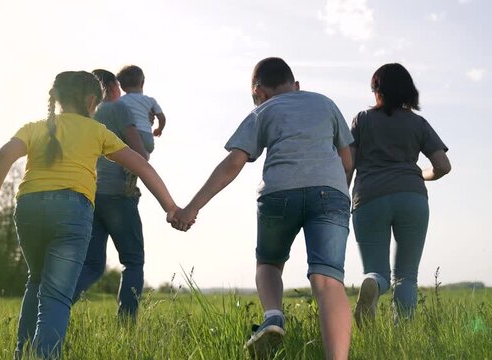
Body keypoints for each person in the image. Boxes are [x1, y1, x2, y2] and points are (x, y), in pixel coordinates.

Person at [0, 71, 178, 359]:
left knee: (36, 280)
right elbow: (141, 166)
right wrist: (170, 207)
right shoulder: (96, 131)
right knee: (57, 294)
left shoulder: (35, 127)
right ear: (90, 101)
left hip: (29, 207)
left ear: (57, 98)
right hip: (72, 210)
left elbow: (4, 155)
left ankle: (23, 354)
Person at [171, 57, 354, 359]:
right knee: (327, 278)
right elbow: (347, 161)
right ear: (296, 86)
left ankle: (273, 316)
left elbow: (233, 163)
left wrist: (192, 207)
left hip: (279, 194)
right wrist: (336, 194)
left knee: (268, 265)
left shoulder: (263, 110)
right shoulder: (326, 103)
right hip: (330, 193)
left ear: (260, 93)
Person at [351, 63, 451, 325]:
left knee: (377, 270)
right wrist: (420, 174)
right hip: (412, 198)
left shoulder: (361, 119)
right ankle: (402, 336)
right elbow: (443, 166)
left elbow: (347, 166)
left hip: (369, 198)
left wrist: (341, 198)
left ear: (377, 91)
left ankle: (372, 282)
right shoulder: (418, 123)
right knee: (406, 275)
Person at [73, 69, 150, 321]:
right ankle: (126, 325)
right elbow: (141, 155)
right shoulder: (120, 110)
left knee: (92, 266)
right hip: (118, 195)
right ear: (112, 87)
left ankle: (53, 307)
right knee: (133, 260)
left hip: (90, 196)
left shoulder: (85, 117)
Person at [116, 65, 166, 155]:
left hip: (130, 135)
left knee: (130, 161)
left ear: (121, 86)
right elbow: (162, 118)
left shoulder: (120, 101)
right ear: (142, 83)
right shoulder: (150, 100)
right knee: (143, 158)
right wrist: (159, 129)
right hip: (147, 136)